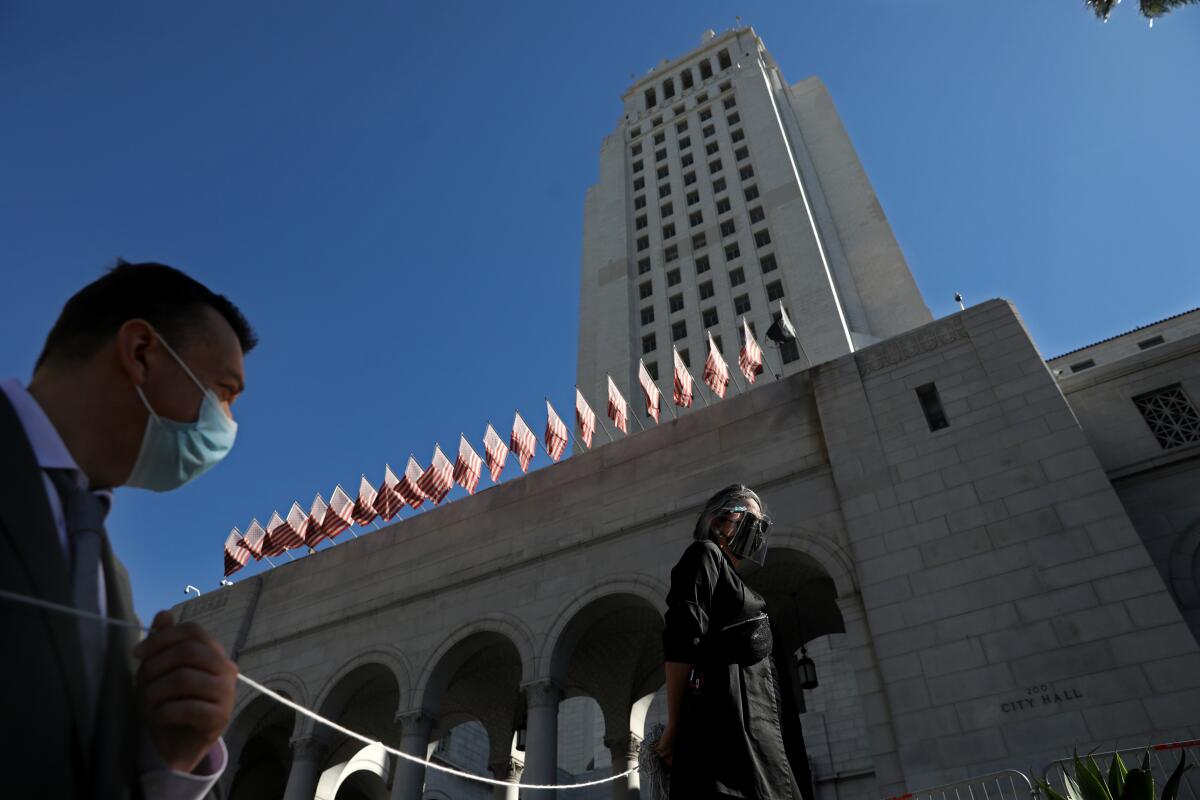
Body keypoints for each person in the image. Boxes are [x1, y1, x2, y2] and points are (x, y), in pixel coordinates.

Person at [0, 261, 255, 798]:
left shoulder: (108, 577)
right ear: (141, 353)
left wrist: (171, 757)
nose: (227, 425)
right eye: (223, 392)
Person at [656, 484, 813, 800]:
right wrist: (675, 724)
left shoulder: (737, 582)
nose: (757, 532)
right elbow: (682, 638)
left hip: (771, 748)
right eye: (750, 520)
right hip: (729, 746)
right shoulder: (704, 555)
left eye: (761, 525)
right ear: (719, 522)